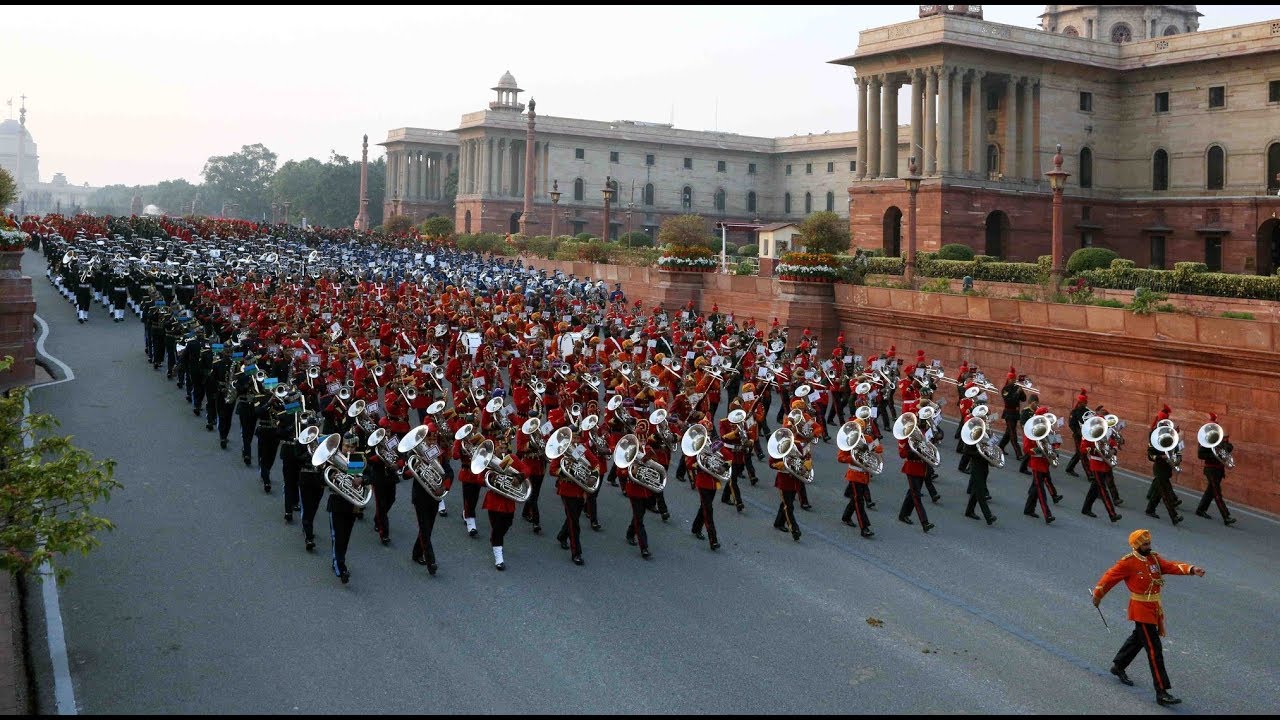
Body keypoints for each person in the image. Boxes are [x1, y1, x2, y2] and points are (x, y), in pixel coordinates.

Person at [1091, 529, 1206, 706]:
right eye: (1145, 544)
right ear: (1136, 545)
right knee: (1154, 650)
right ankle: (1161, 691)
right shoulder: (1128, 563)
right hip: (1141, 610)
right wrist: (1098, 596)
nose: (1148, 546)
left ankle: (1119, 665)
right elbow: (1109, 578)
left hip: (1153, 608)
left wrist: (1191, 569)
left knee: (1138, 639)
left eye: (1149, 543)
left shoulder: (1153, 559)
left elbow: (1170, 566)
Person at [1195, 413, 1236, 526]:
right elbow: (1200, 455)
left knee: (1211, 491)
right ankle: (1226, 516)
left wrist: (1226, 445)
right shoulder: (1204, 439)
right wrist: (1215, 455)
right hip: (1211, 469)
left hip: (1219, 469)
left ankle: (1201, 510)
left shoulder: (1219, 437)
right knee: (1217, 493)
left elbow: (1229, 448)